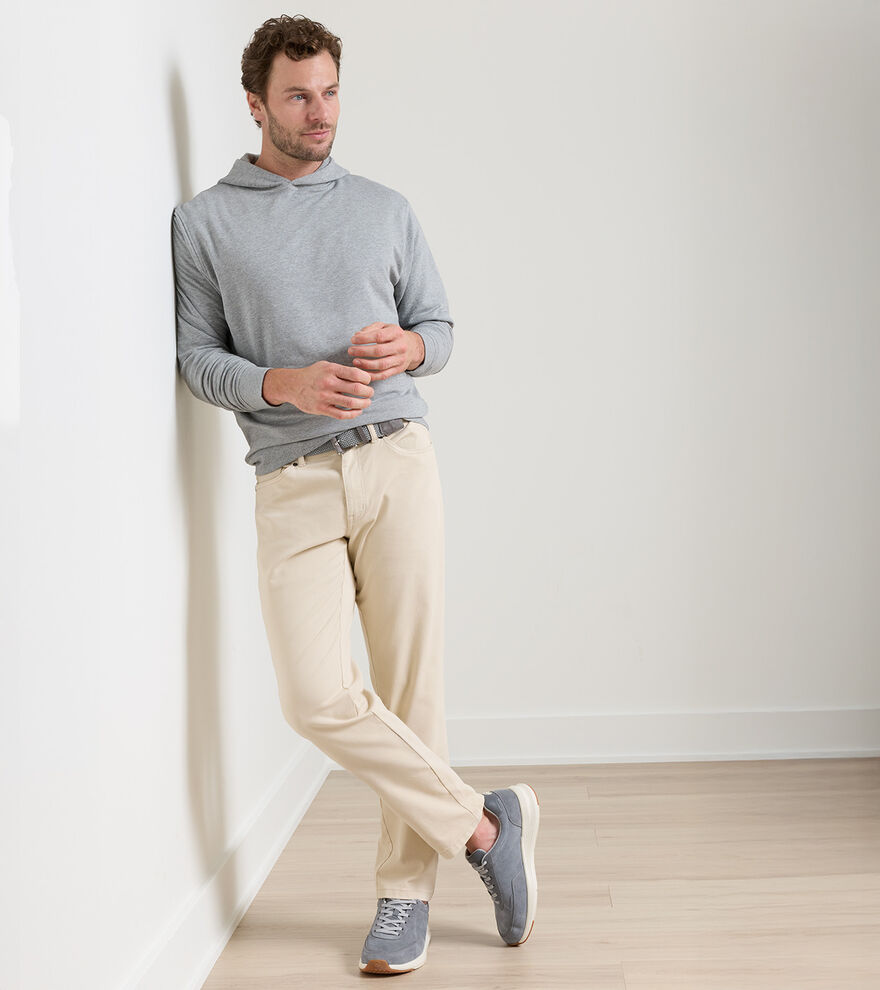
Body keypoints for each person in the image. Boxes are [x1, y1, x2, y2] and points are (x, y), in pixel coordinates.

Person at [170, 13, 540, 975]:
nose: (320, 111)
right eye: (298, 95)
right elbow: (197, 358)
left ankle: (402, 897)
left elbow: (440, 329)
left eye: (331, 91)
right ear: (255, 105)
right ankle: (485, 828)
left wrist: (410, 347)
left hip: (395, 457)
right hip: (289, 478)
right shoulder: (204, 223)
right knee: (315, 696)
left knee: (412, 686)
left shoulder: (384, 207)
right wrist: (281, 383)